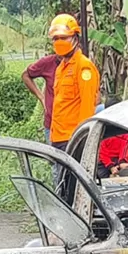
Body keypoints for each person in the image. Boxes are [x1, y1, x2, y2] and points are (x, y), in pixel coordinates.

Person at [47, 14, 100, 204]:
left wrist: (81, 141)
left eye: (63, 38)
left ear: (75, 38)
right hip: (58, 138)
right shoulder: (61, 67)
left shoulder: (84, 67)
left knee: (73, 190)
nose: (59, 42)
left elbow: (87, 108)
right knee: (63, 187)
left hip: (73, 139)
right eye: (56, 39)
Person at [22, 52, 61, 144]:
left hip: (75, 126)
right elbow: (25, 75)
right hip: (52, 125)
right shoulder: (48, 62)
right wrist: (41, 97)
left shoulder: (80, 65)